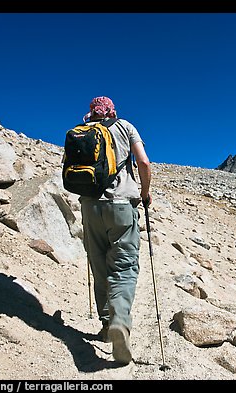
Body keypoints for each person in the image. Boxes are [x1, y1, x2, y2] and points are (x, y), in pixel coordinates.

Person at [78, 96, 151, 365]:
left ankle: (106, 323)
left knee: (99, 267)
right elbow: (143, 162)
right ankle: (120, 322)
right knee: (124, 268)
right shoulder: (125, 127)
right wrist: (144, 193)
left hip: (89, 207)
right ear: (113, 111)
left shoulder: (82, 131)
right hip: (122, 206)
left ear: (91, 112)